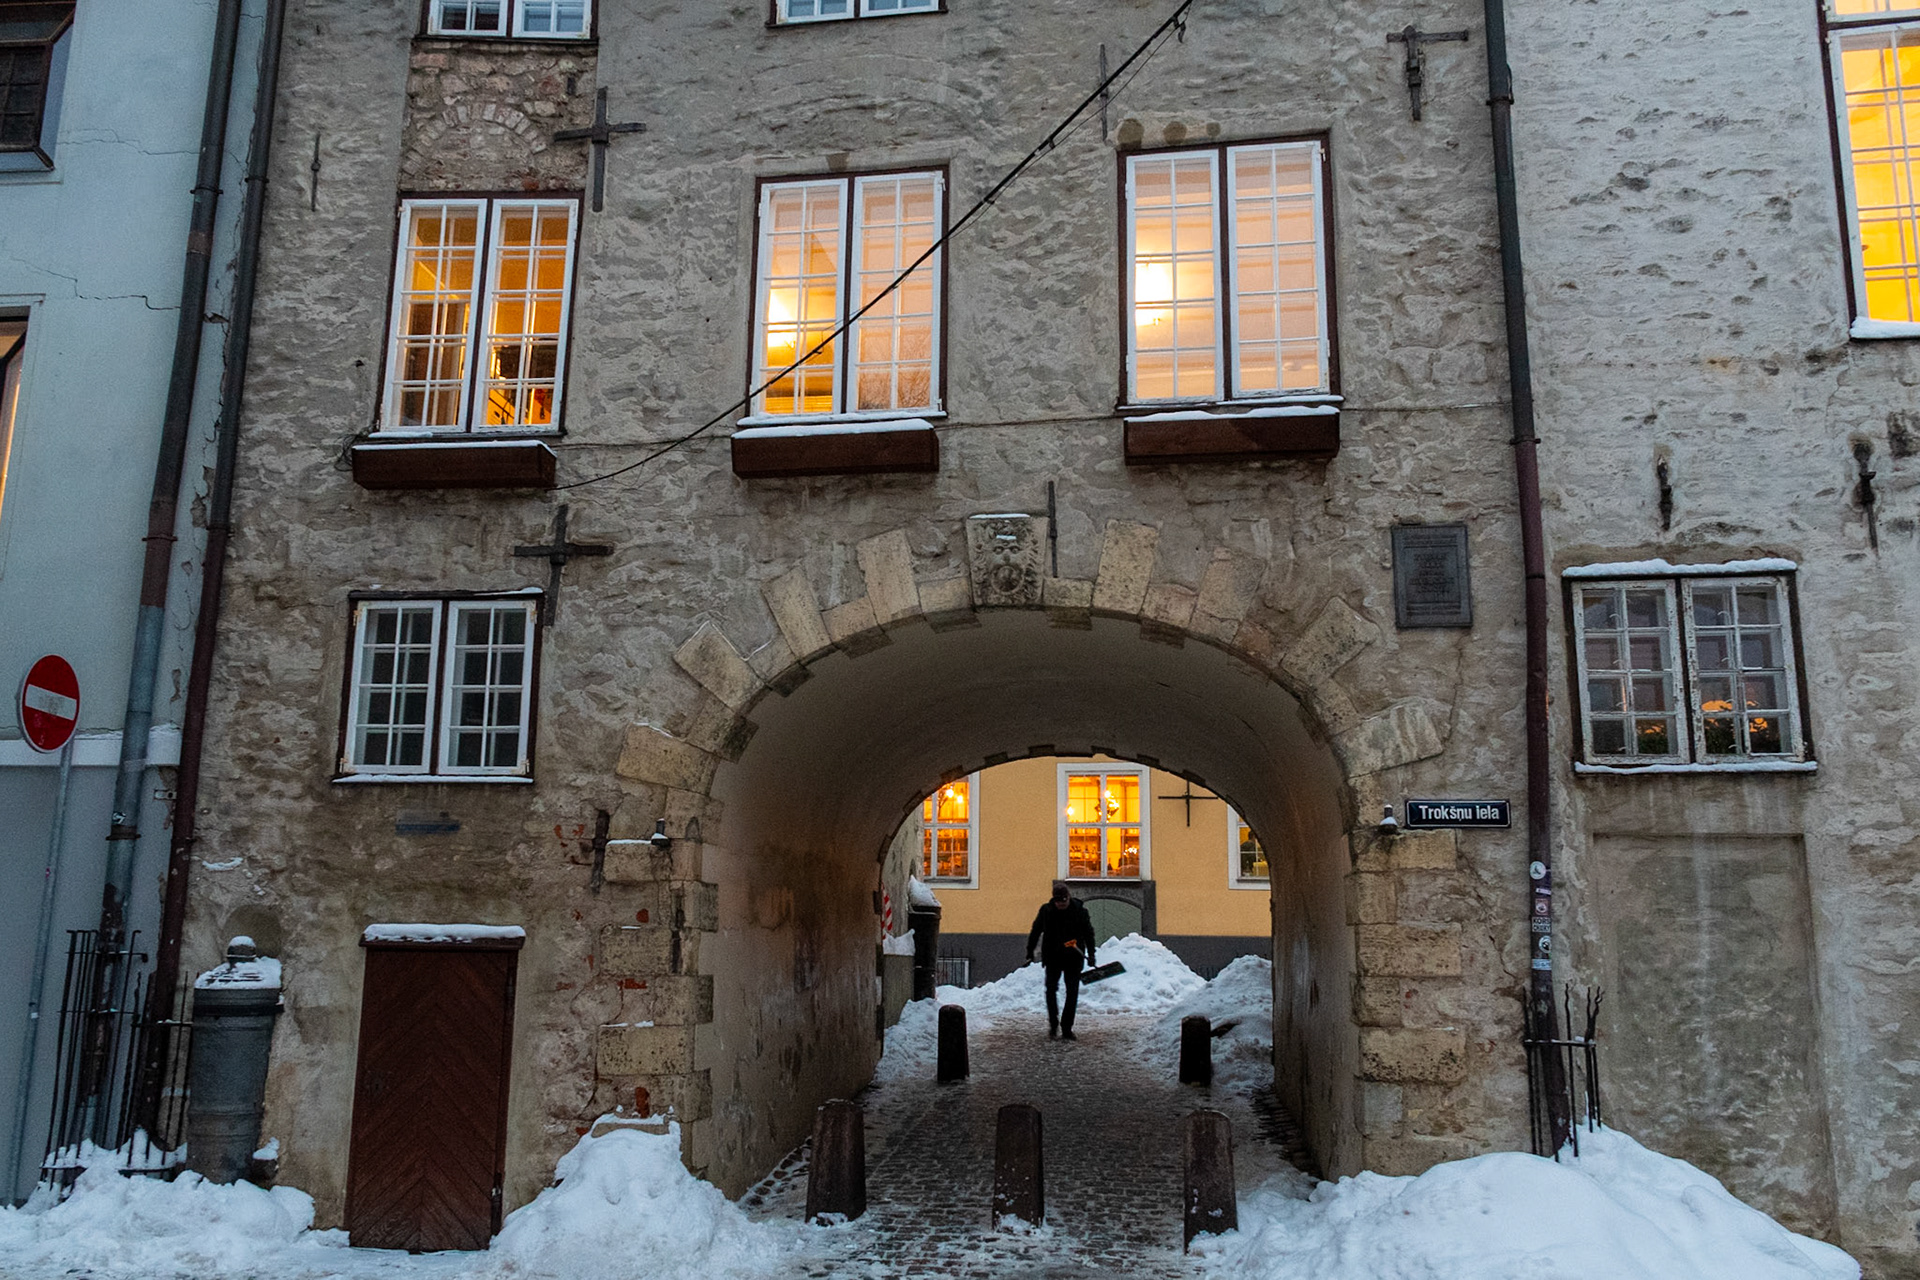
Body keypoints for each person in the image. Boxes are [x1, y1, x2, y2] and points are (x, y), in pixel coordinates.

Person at [1026, 881, 1096, 1040]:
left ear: (1068, 898)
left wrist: (1091, 954)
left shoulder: (1080, 911)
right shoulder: (1046, 911)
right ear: (1054, 900)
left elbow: (1088, 934)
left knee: (1072, 992)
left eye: (1063, 901)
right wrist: (1030, 950)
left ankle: (1066, 1027)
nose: (1061, 905)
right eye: (1058, 902)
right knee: (1050, 990)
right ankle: (1053, 1023)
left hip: (1073, 957)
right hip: (1053, 957)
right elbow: (1036, 930)